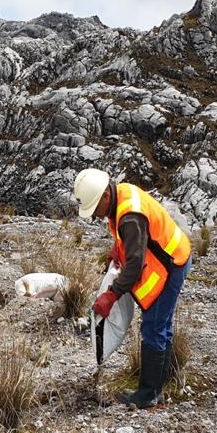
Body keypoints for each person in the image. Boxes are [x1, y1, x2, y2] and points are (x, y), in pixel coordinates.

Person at [73, 168, 193, 409]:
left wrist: (111, 295)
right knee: (162, 324)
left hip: (170, 265)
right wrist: (120, 247)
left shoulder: (129, 215)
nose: (96, 215)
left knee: (153, 327)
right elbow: (134, 240)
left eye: (95, 208)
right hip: (176, 255)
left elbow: (135, 267)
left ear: (106, 195)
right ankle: (160, 384)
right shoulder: (122, 194)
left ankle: (148, 395)